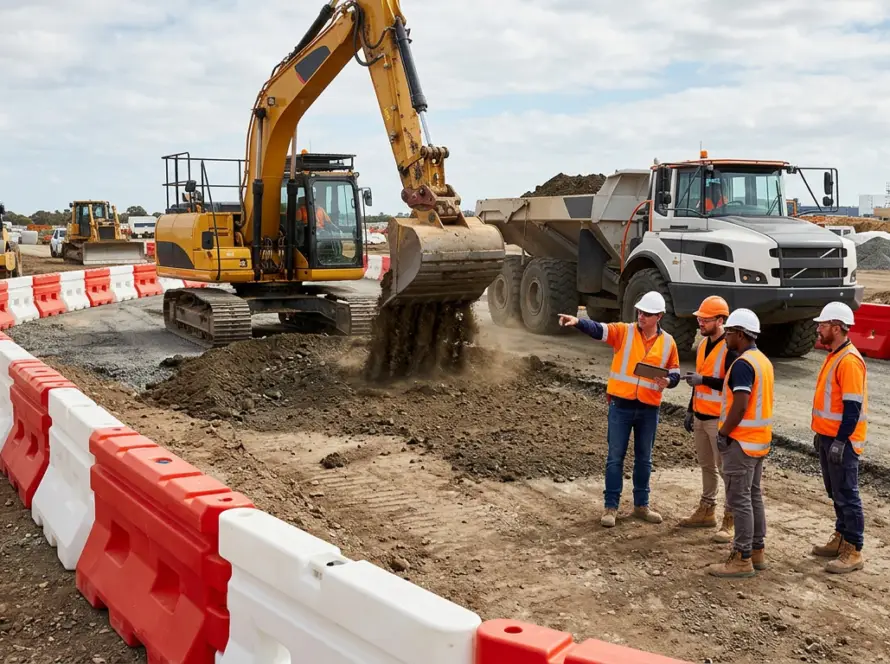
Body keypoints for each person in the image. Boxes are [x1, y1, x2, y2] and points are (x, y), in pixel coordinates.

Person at [558, 291, 680, 528]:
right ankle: (611, 506)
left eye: (647, 314)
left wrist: (669, 380)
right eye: (640, 312)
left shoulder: (668, 342)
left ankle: (641, 505)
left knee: (644, 460)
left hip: (648, 408)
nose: (641, 316)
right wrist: (578, 322)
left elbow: (674, 370)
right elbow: (601, 329)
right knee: (615, 458)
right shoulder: (625, 332)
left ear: (659, 317)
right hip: (621, 406)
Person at [707, 308, 774, 578]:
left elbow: (741, 404)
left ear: (741, 335)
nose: (725, 337)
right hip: (758, 442)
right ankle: (757, 550)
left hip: (741, 443)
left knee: (739, 499)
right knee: (752, 495)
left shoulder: (743, 365)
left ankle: (742, 557)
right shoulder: (763, 361)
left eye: (729, 332)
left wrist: (724, 433)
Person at [810, 302, 867, 574]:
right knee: (836, 492)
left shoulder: (849, 361)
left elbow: (852, 408)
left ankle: (853, 549)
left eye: (822, 325)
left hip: (842, 441)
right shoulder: (835, 356)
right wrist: (821, 434)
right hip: (829, 437)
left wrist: (841, 441)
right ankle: (842, 536)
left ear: (836, 328)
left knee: (847, 494)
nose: (818, 330)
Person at [679, 296, 737, 543]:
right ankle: (707, 509)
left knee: (725, 470)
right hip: (701, 415)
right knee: (706, 466)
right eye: (700, 319)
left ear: (720, 320)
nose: (700, 322)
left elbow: (731, 384)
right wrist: (690, 409)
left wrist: (702, 381)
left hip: (718, 419)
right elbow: (699, 379)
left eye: (706, 319)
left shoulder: (730, 348)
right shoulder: (703, 344)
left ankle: (730, 518)